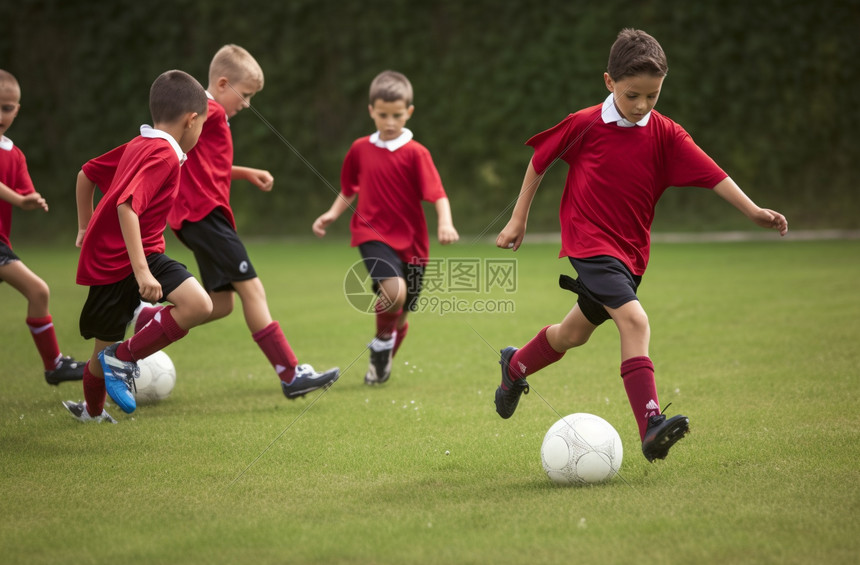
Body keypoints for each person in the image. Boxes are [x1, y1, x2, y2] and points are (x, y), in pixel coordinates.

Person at [493, 29, 788, 462]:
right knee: (635, 321)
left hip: (631, 255)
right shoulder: (585, 124)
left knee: (571, 334)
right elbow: (540, 160)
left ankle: (514, 365)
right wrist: (518, 218)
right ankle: (650, 425)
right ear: (609, 82)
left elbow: (713, 174)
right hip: (589, 243)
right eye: (633, 95)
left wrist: (752, 210)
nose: (642, 106)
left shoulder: (666, 134)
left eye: (653, 95)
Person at [162, 44, 338, 399]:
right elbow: (170, 144)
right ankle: (290, 374)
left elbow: (205, 166)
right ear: (223, 83)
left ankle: (151, 320)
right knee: (253, 289)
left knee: (219, 304)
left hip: (199, 218)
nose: (247, 104)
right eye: (245, 95)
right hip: (204, 215)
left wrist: (245, 173)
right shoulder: (206, 111)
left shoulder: (214, 116)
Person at [63, 69, 212, 423]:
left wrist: (85, 226)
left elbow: (86, 174)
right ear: (191, 120)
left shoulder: (141, 143)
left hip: (143, 253)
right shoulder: (161, 155)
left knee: (198, 305)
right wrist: (141, 270)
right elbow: (127, 206)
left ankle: (123, 357)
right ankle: (94, 410)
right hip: (117, 266)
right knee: (99, 358)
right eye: (203, 125)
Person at [313, 70, 459, 384]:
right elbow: (349, 187)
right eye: (382, 115)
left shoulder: (417, 153)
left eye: (396, 115)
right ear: (371, 111)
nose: (389, 122)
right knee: (394, 293)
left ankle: (380, 364)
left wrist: (445, 223)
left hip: (414, 244)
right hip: (371, 233)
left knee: (402, 310)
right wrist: (332, 213)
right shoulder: (360, 149)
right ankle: (381, 347)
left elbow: (438, 194)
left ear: (409, 112)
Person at [0, 69, 85, 386]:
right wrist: (20, 202)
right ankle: (55, 365)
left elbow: (25, 191)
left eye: (7, 108)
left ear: (17, 109)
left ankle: (54, 366)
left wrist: (32, 199)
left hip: (1, 245)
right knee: (38, 289)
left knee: (38, 291)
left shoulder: (15, 154)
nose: (1, 115)